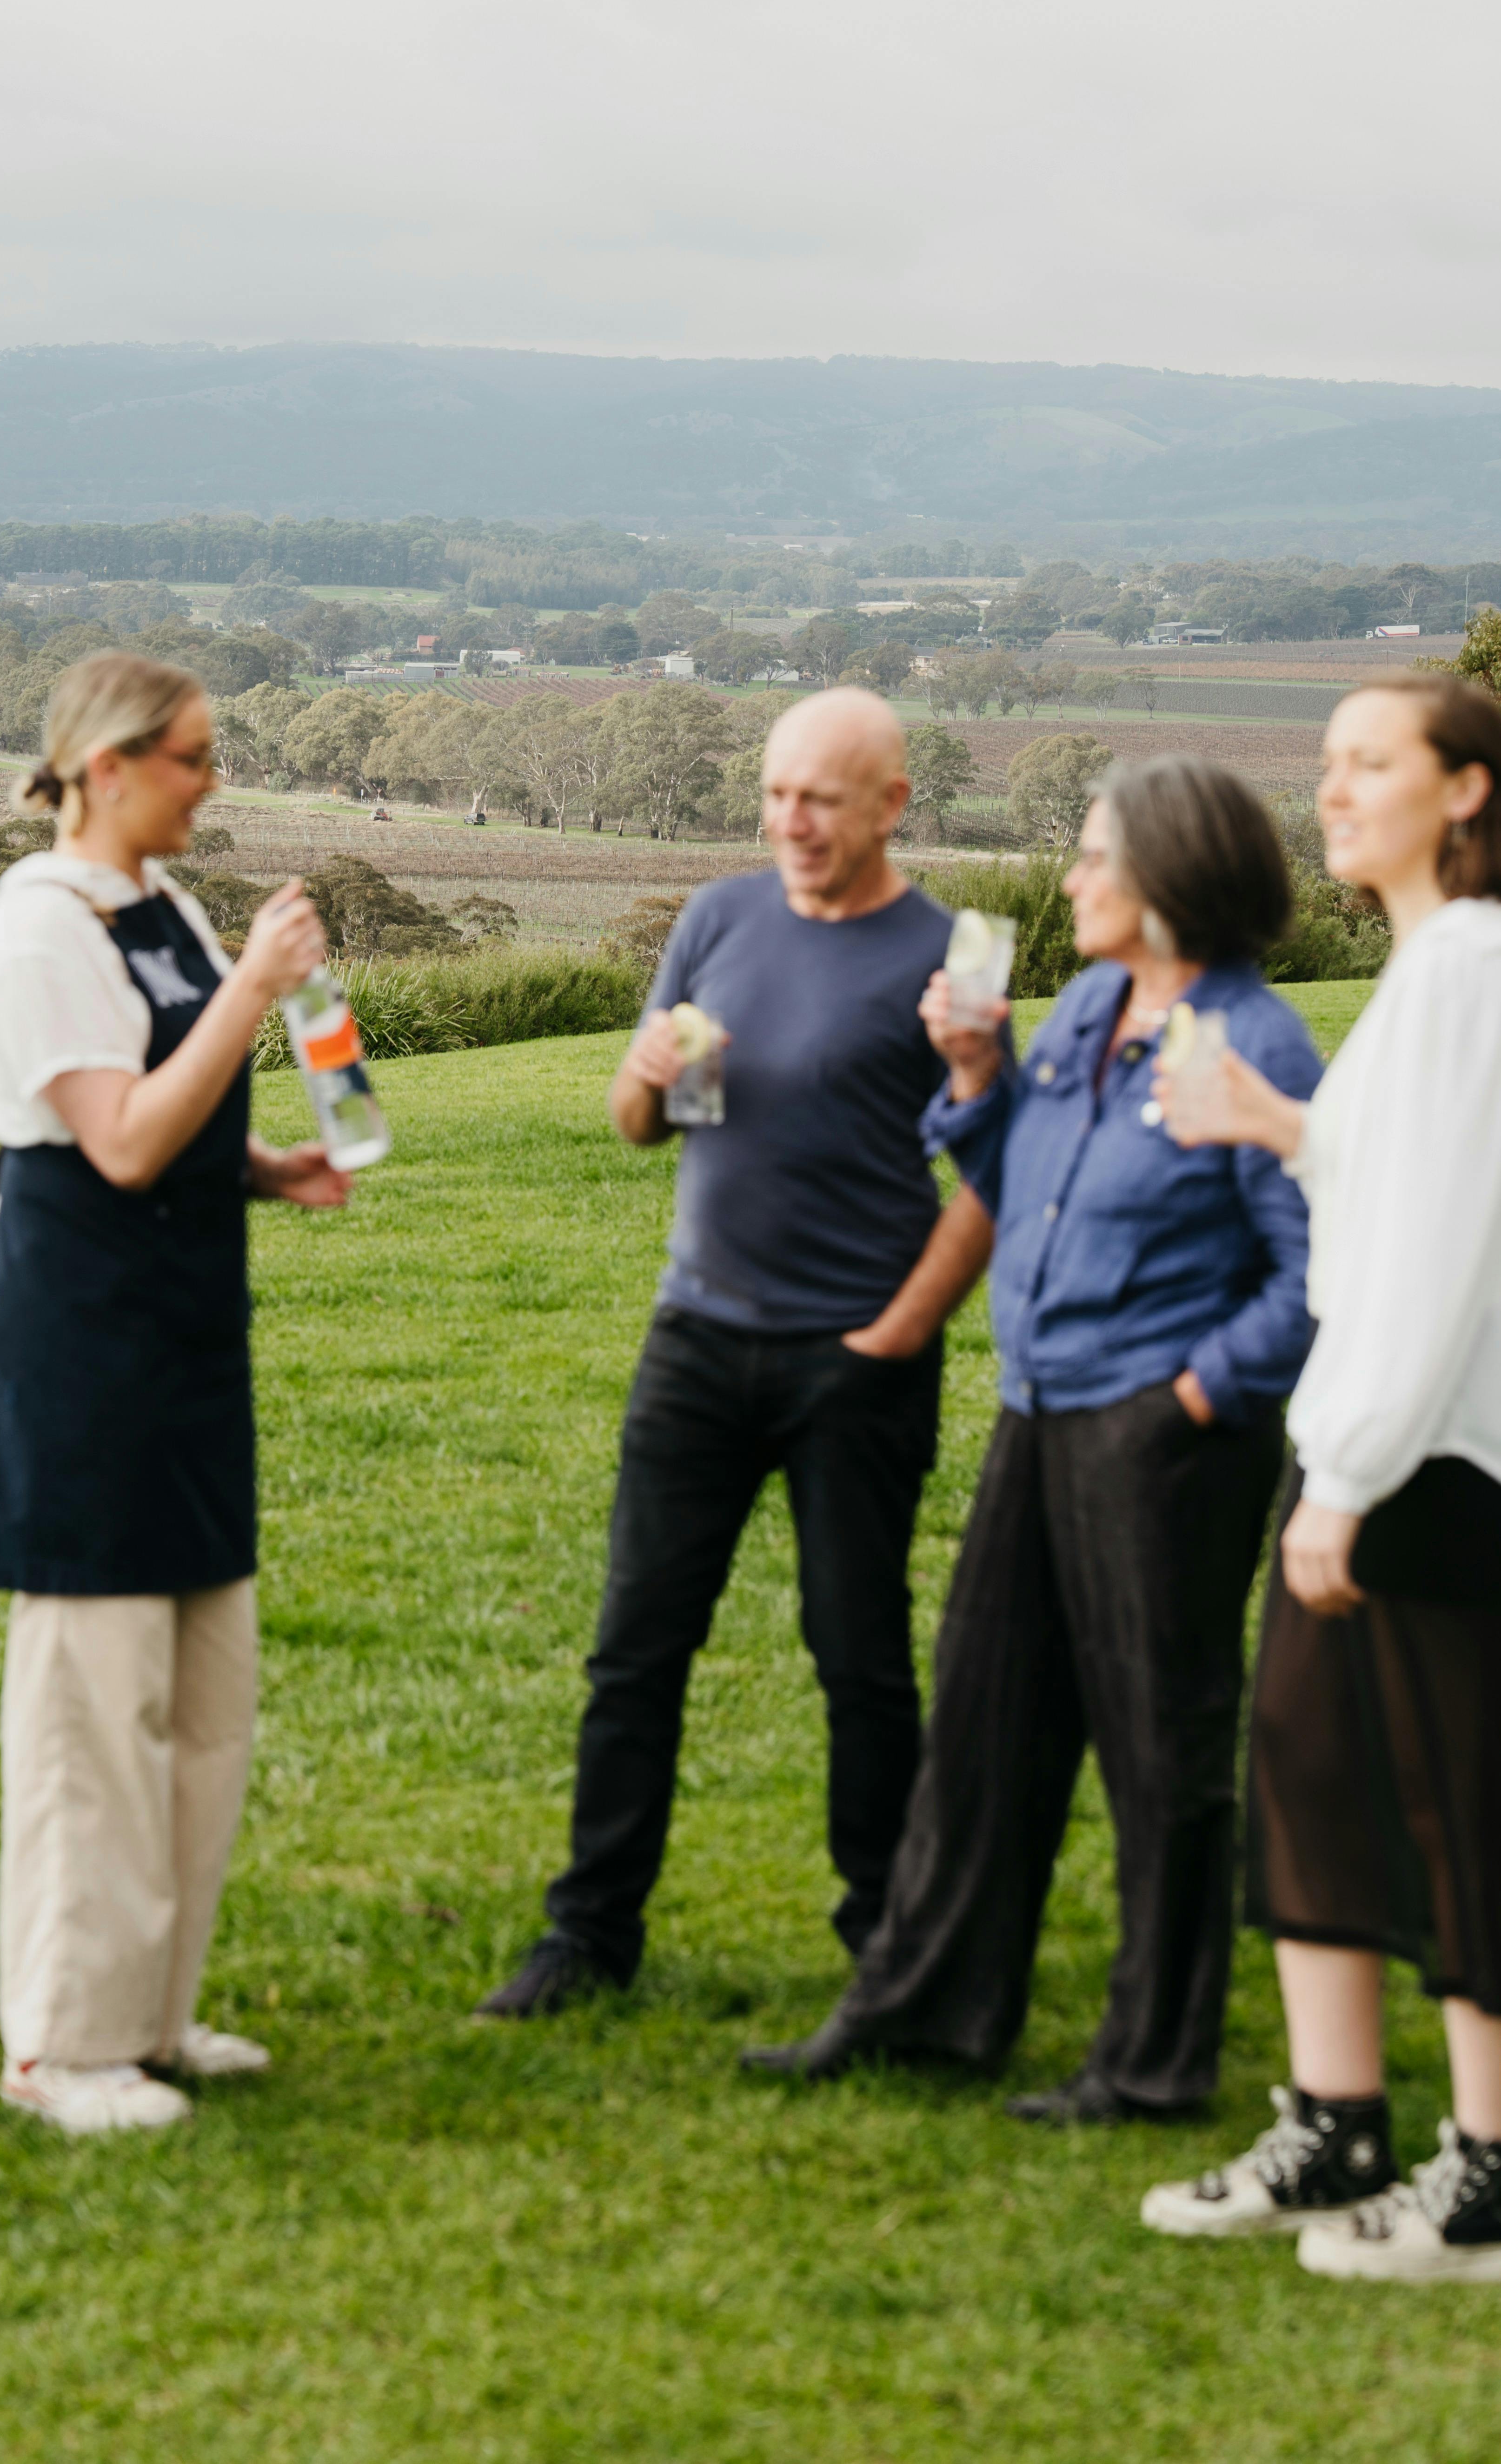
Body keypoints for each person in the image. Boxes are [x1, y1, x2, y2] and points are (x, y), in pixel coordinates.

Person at [743, 759, 1322, 2119]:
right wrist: (973, 1076)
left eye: (1094, 857)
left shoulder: (1257, 1045)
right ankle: (925, 2012)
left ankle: (1153, 2061)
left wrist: (1197, 1397)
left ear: (1171, 875)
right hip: (1040, 1408)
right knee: (987, 1722)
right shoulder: (1083, 1010)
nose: (1070, 878)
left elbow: (1314, 1268)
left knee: (1159, 1745)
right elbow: (1023, 1192)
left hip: (1162, 1435)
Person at [1141, 676, 1501, 2283]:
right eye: (1326, 764)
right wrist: (1285, 1125)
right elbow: (1386, 1182)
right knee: (1312, 1765)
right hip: (1375, 1439)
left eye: (1370, 764)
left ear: (1467, 789)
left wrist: (1344, 1478)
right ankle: (1335, 2130)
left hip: (1441, 1458)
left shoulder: (1475, 967)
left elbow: (1436, 1259)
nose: (1332, 790)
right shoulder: (1428, 967)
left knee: (1456, 1796)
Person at [476, 689, 996, 2017]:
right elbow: (651, 1124)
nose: (791, 821)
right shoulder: (718, 918)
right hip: (698, 1340)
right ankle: (589, 1937)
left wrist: (902, 1331)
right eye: (776, 794)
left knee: (860, 1656)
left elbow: (999, 1173)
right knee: (636, 1649)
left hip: (856, 1362)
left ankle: (891, 1936)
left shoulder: (953, 957)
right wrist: (644, 1076)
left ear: (893, 804)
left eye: (820, 798)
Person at [0, 651, 352, 2136]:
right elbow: (116, 1140)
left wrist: (262, 1165)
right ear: (109, 766)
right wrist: (258, 984)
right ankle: (61, 2047)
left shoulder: (163, 905)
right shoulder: (38, 929)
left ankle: (155, 2016)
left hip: (188, 1339)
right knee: (92, 1709)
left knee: (203, 1698)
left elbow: (176, 1102)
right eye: (192, 755)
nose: (211, 777)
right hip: (82, 1356)